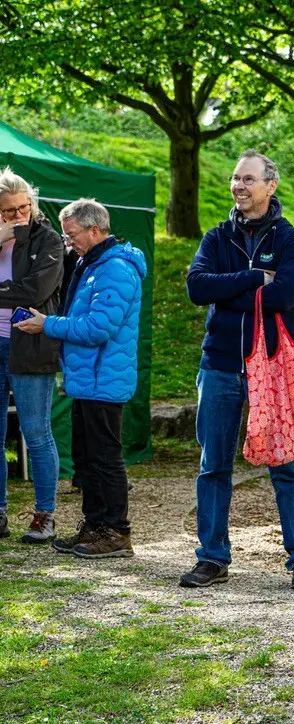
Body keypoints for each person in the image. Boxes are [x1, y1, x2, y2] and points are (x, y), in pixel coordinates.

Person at [181, 151, 294, 590]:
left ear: (270, 186)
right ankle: (212, 558)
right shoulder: (217, 236)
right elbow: (196, 287)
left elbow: (283, 297)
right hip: (220, 364)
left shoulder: (292, 239)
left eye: (248, 179)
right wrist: (252, 277)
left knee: (288, 463)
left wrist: (233, 287)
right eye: (235, 178)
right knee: (213, 465)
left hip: (272, 366)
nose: (239, 186)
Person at [16, 198, 145, 559]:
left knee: (105, 458)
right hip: (88, 378)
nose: (66, 240)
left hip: (105, 378)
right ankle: (93, 525)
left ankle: (117, 531)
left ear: (94, 230)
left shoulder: (115, 268)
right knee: (87, 459)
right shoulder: (91, 264)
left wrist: (48, 324)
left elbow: (98, 328)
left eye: (72, 234)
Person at [0, 168, 64, 543]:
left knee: (36, 432)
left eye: (24, 207)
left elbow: (36, 289)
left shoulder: (48, 238)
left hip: (30, 344)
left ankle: (45, 514)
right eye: (9, 211)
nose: (19, 216)